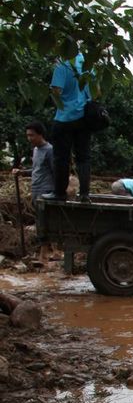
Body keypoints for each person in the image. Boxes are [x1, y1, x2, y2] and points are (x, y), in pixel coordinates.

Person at [42, 52, 93, 203]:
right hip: (84, 117)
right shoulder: (87, 63)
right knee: (84, 157)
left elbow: (56, 91)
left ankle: (59, 193)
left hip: (65, 117)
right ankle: (84, 194)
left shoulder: (62, 64)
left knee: (61, 158)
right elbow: (94, 90)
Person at [12, 122, 58, 262]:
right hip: (36, 189)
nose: (29, 138)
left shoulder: (49, 150)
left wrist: (57, 191)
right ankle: (52, 251)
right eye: (27, 135)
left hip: (46, 191)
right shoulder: (36, 150)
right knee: (40, 220)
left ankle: (45, 254)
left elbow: (55, 171)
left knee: (45, 222)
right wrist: (22, 172)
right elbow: (36, 170)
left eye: (31, 135)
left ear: (40, 134)